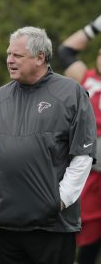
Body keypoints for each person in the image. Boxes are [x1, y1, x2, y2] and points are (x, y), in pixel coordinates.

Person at [0, 26, 97, 264]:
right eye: (9, 54)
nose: (9, 60)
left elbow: (83, 155)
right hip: (6, 223)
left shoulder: (71, 93)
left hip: (52, 225)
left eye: (17, 55)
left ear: (40, 57)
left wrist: (59, 201)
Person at [58, 14, 101, 264]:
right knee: (86, 240)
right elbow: (66, 50)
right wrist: (95, 27)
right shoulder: (85, 76)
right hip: (90, 172)